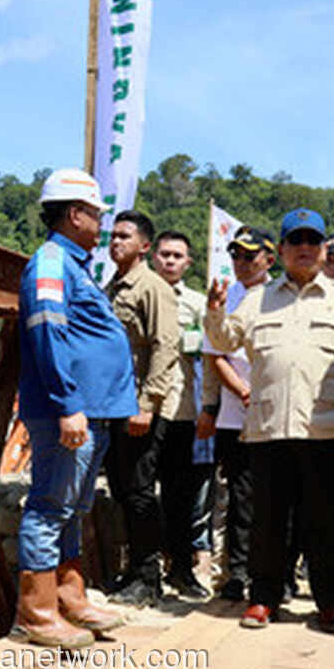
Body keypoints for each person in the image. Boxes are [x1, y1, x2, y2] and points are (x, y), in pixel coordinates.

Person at [206, 208, 334, 635]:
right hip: (269, 428)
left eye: (312, 241)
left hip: (330, 429)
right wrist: (214, 311)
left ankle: (330, 603)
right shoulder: (258, 298)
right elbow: (224, 340)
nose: (304, 248)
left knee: (328, 522)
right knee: (267, 521)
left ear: (323, 249)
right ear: (282, 250)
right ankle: (264, 599)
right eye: (296, 241)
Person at [13, 167, 132, 648]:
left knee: (73, 507)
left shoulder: (73, 265)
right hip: (68, 409)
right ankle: (37, 613)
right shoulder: (50, 262)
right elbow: (46, 331)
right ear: (75, 214)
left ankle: (69, 597)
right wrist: (67, 403)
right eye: (96, 216)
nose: (102, 225)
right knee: (49, 506)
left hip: (89, 409)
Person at [104, 209, 183, 607]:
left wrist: (147, 403)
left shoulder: (152, 287)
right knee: (122, 489)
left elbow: (165, 346)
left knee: (139, 491)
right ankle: (135, 570)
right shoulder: (111, 287)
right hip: (114, 404)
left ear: (144, 246)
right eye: (113, 235)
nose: (115, 242)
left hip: (140, 404)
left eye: (124, 236)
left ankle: (149, 578)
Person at [198, 226, 274, 602]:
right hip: (235, 412)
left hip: (274, 411)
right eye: (236, 256)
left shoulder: (281, 295)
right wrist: (241, 391)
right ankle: (237, 572)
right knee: (239, 496)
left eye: (250, 256)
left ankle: (275, 573)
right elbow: (215, 354)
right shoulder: (224, 297)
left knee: (274, 495)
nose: (242, 262)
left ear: (269, 259)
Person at [149, 230, 212, 599]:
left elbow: (211, 356)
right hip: (144, 409)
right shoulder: (139, 294)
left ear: (188, 262)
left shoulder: (198, 304)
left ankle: (182, 570)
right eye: (165, 254)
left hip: (184, 409)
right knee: (140, 492)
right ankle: (145, 570)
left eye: (177, 256)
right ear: (153, 257)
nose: (170, 261)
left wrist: (209, 409)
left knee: (182, 496)